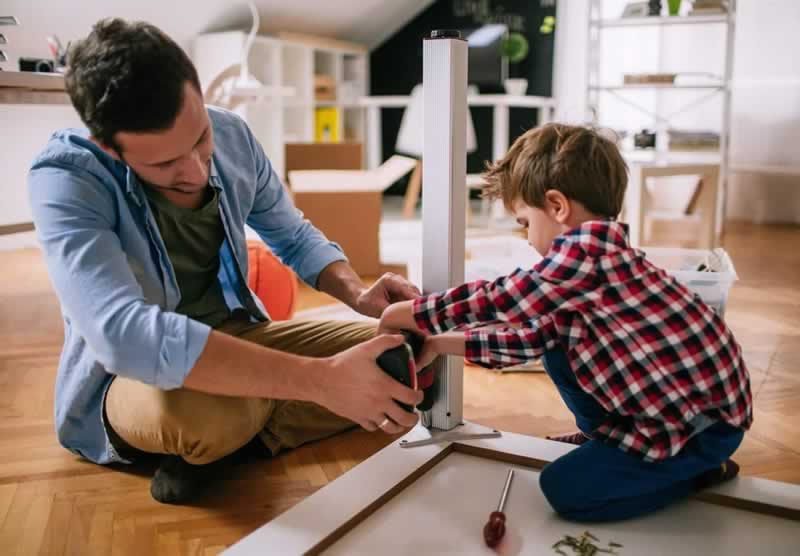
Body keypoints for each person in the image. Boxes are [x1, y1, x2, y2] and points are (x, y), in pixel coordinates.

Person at [28, 18, 423, 505]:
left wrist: (356, 292)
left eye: (199, 139)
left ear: (197, 89)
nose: (194, 170)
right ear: (110, 147)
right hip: (133, 378)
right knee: (205, 417)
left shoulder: (233, 133)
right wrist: (320, 381)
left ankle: (231, 442)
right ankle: (240, 427)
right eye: (164, 164)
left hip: (240, 336)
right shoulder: (66, 177)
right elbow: (121, 335)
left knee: (406, 349)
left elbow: (292, 234)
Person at [379, 123, 753, 522]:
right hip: (686, 412)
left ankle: (696, 473)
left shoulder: (584, 256)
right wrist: (439, 343)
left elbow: (505, 298)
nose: (526, 239)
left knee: (564, 490)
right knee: (556, 347)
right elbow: (529, 340)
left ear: (557, 207)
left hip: (700, 429)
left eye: (525, 222)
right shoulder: (595, 260)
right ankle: (609, 439)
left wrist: (413, 314)